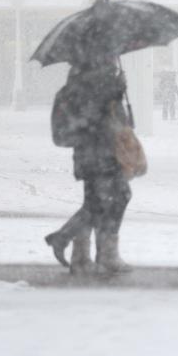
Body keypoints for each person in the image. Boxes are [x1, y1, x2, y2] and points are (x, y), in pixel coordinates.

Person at [44, 55, 134, 276]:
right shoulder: (87, 90)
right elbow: (89, 122)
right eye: (109, 61)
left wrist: (119, 98)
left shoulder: (92, 88)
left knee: (97, 203)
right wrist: (114, 94)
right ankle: (96, 252)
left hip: (98, 155)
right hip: (97, 155)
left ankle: (82, 256)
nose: (113, 65)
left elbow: (116, 121)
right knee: (114, 198)